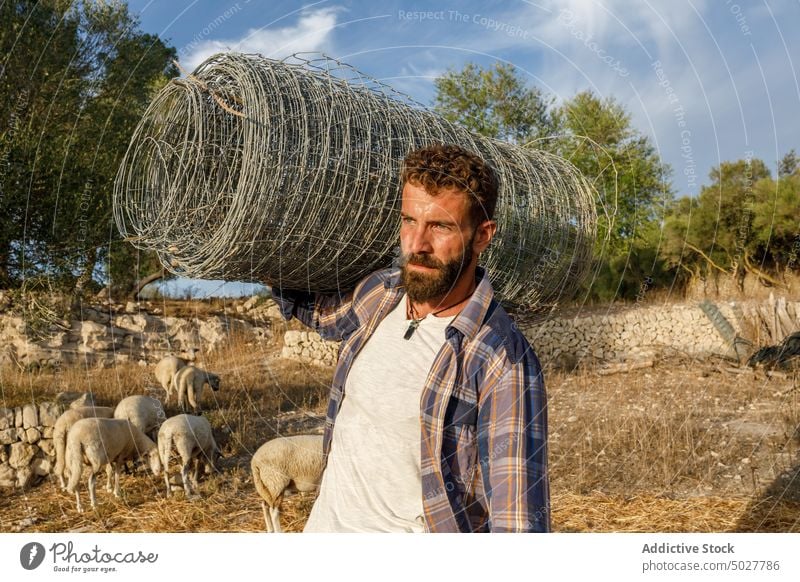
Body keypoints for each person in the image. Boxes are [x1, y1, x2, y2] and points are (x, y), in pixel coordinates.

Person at [272, 143, 549, 532]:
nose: (416, 244)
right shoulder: (383, 294)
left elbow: (518, 522)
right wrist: (254, 243)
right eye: (408, 220)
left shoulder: (501, 359)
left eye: (440, 226)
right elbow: (318, 311)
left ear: (483, 235)